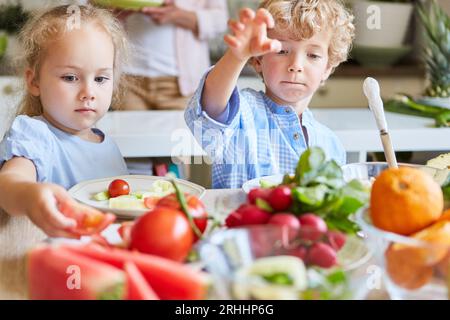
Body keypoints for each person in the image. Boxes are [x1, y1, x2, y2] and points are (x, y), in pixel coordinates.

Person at [184, 0, 355, 189]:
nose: (296, 65)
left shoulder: (331, 144)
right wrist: (237, 56)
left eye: (313, 55)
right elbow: (210, 108)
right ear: (258, 60)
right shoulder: (243, 114)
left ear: (328, 68)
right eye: (281, 51)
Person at [0, 4, 129, 238]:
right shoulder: (34, 136)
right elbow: (9, 184)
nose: (88, 92)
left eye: (100, 78)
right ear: (34, 81)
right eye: (70, 77)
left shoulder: (107, 144)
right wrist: (29, 196)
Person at [115, 0, 228, 110]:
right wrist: (116, 11)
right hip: (128, 80)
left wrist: (178, 15)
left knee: (183, 129)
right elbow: (101, 13)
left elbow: (220, 20)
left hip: (180, 86)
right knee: (130, 129)